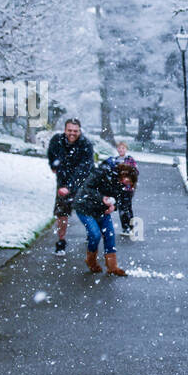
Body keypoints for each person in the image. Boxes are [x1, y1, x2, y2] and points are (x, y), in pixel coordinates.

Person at [73, 160, 138, 276]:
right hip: (85, 207)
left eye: (128, 183)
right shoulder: (103, 172)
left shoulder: (122, 185)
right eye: (126, 180)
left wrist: (114, 206)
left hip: (102, 210)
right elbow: (87, 187)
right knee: (95, 234)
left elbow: (120, 200)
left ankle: (112, 267)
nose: (125, 183)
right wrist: (101, 198)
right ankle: (91, 261)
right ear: (123, 174)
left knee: (109, 235)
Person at [47, 118, 95, 255]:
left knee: (87, 210)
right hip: (63, 179)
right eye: (69, 130)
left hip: (83, 181)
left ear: (80, 131)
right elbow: (51, 154)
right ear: (65, 130)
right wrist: (54, 166)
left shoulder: (86, 144)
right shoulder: (57, 140)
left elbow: (84, 169)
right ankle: (61, 241)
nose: (72, 133)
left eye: (75, 131)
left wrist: (70, 186)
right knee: (61, 212)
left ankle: (91, 233)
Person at [101, 140, 139, 236]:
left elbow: (135, 172)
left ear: (126, 149)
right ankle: (124, 227)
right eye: (119, 148)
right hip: (117, 188)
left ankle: (129, 227)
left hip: (127, 188)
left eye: (123, 148)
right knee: (121, 207)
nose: (121, 150)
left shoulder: (129, 160)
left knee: (127, 207)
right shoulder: (114, 160)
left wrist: (128, 179)